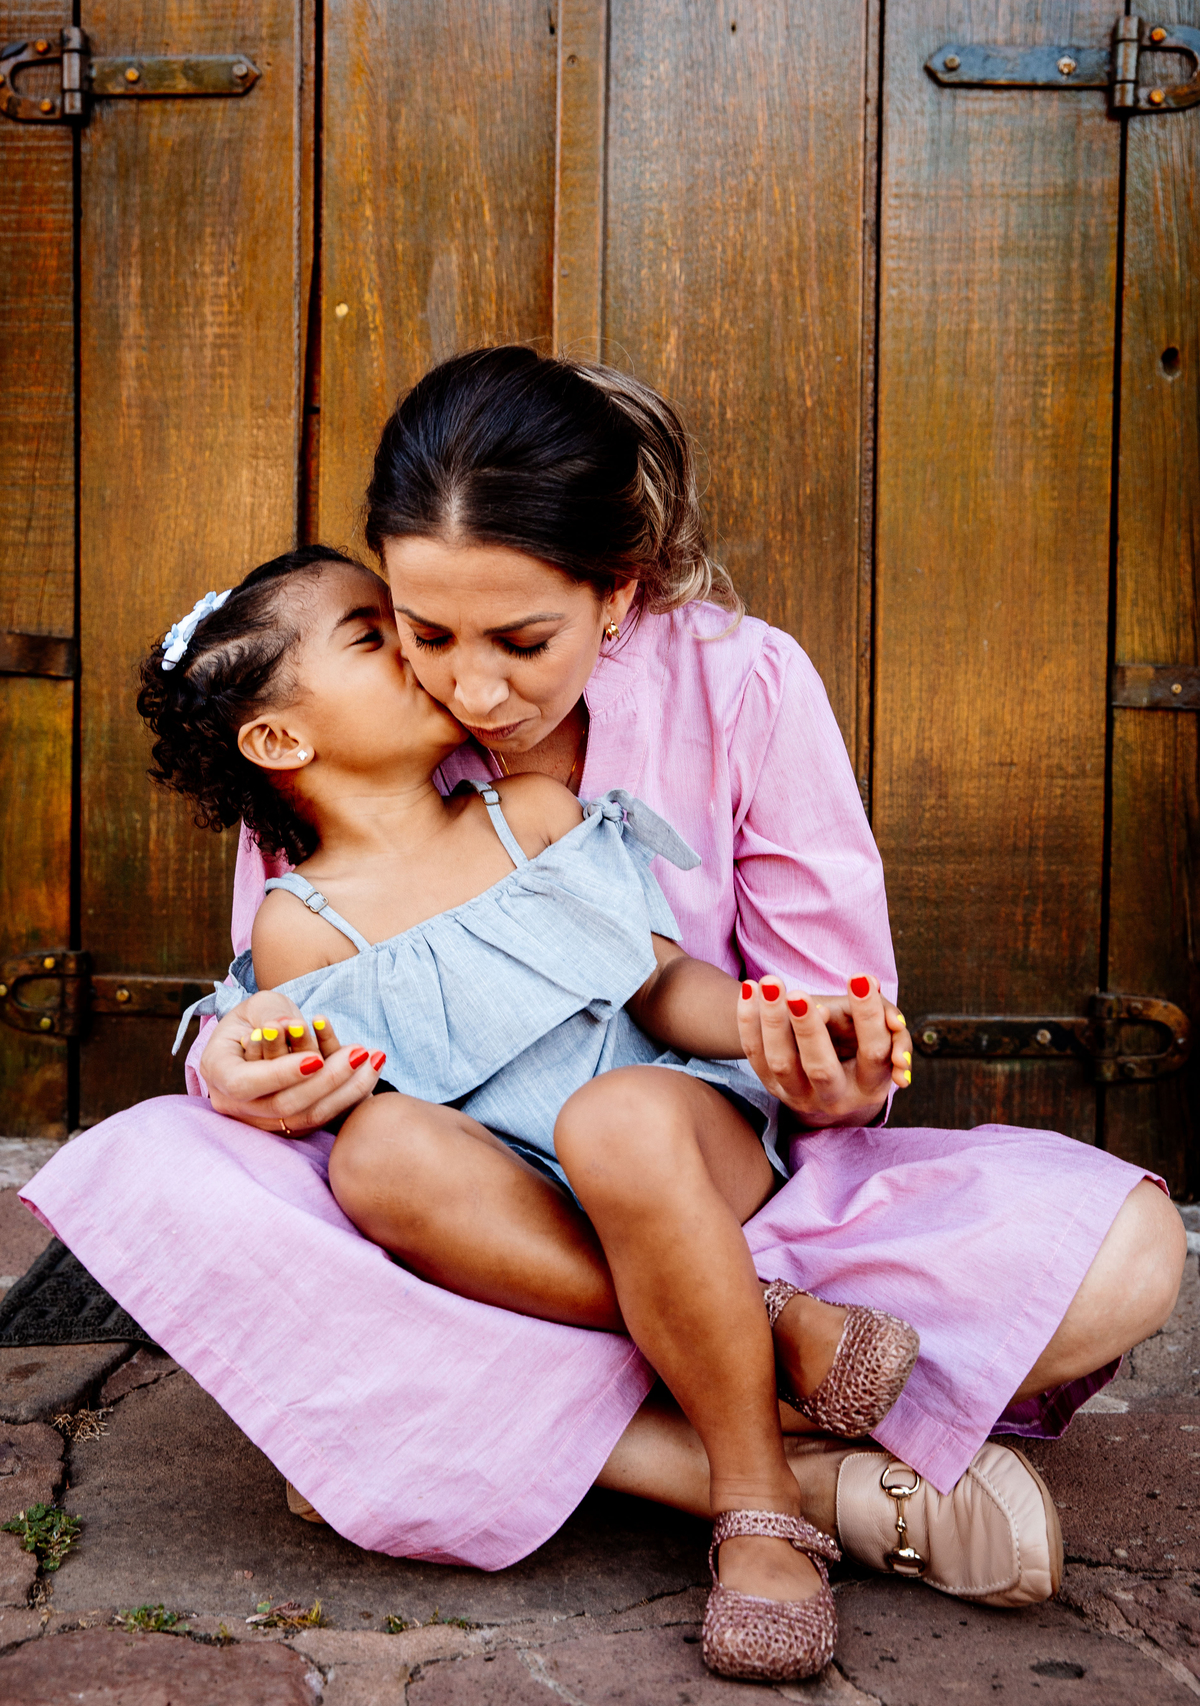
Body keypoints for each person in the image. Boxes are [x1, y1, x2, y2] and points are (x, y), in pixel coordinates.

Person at [24, 350, 1185, 1661]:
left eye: (523, 641)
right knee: (210, 1171)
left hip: (703, 1167)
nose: (469, 690)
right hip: (486, 1221)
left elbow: (761, 1009)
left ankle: (466, 1424)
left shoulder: (706, 705)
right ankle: (775, 1461)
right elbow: (273, 1024)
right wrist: (234, 1074)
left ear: (615, 594)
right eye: (418, 630)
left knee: (1125, 1255)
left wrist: (820, 1054)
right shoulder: (332, 782)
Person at [138, 543, 920, 1679]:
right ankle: (756, 1316)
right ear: (280, 740)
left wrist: (776, 1019)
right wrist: (262, 1057)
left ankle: (756, 1503)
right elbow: (325, 1074)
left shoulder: (533, 815)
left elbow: (658, 980)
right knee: (378, 1155)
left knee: (613, 1120)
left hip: (675, 1133)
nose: (419, 654)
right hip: (523, 1211)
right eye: (377, 636)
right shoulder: (297, 930)